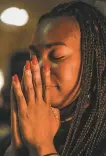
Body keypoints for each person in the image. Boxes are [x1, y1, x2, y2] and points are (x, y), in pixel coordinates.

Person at [4, 1, 106, 156]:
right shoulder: (9, 141)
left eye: (56, 56)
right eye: (34, 56)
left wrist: (42, 147)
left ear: (96, 62)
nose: (36, 67)